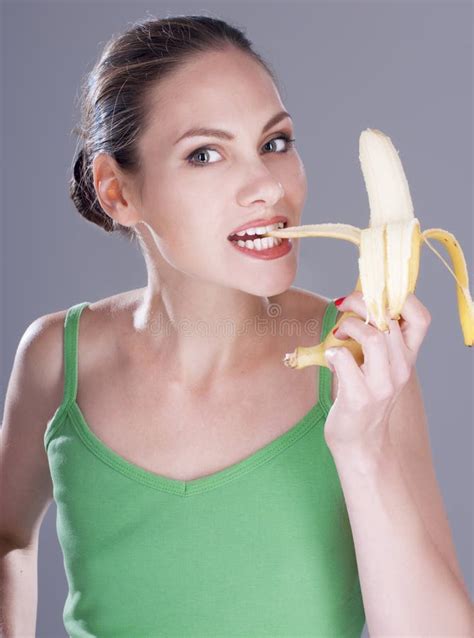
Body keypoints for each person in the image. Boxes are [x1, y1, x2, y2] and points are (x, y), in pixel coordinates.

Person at [1, 14, 471, 638]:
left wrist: (364, 449)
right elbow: (7, 538)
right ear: (117, 191)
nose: (267, 186)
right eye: (205, 154)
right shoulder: (57, 359)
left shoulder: (358, 361)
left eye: (275, 143)